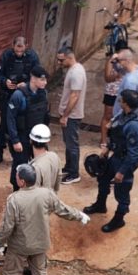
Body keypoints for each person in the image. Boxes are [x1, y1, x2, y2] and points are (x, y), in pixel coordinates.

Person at [0, 163, 90, 275]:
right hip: (40, 244)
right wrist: (79, 215)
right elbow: (62, 210)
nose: (15, 177)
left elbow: (7, 226)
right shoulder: (46, 193)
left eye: (17, 176)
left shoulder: (14, 199)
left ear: (22, 181)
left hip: (19, 246)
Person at [83, 90, 138, 233]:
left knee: (122, 192)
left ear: (126, 103)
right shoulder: (126, 114)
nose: (119, 102)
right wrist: (108, 148)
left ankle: (119, 219)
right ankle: (100, 205)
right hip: (117, 156)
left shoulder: (135, 126)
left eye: (121, 100)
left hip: (126, 162)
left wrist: (122, 172)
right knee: (103, 178)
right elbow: (119, 136)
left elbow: (134, 154)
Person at [0, 36, 41, 167]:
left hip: (24, 98)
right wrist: (5, 82)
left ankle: (26, 156)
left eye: (21, 49)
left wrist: (25, 84)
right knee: (3, 127)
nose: (19, 52)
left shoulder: (32, 57)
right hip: (7, 96)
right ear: (13, 45)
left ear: (26, 46)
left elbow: (39, 76)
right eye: (17, 49)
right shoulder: (7, 56)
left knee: (25, 128)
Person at [6, 66, 49, 190]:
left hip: (38, 138)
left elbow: (45, 115)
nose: (45, 83)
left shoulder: (43, 93)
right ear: (33, 79)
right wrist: (15, 140)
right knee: (20, 165)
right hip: (23, 137)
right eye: (42, 80)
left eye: (45, 80)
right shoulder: (19, 95)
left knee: (40, 164)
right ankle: (16, 190)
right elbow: (10, 119)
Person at [56, 47, 85, 184]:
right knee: (68, 143)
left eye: (61, 60)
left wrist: (65, 115)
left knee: (72, 144)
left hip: (72, 116)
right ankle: (69, 167)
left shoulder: (76, 73)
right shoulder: (73, 70)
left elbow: (75, 96)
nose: (59, 62)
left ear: (69, 57)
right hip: (70, 115)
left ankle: (74, 173)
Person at [99, 41, 129, 147]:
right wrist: (116, 75)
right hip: (111, 93)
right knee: (108, 116)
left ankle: (116, 140)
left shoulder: (127, 61)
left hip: (122, 93)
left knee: (121, 117)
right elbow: (107, 78)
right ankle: (103, 140)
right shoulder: (111, 61)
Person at [111, 48, 138, 118]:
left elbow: (127, 104)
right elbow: (121, 70)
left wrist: (115, 119)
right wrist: (114, 62)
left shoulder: (130, 82)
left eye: (119, 61)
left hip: (123, 116)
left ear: (126, 61)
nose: (118, 63)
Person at [28, 124, 62, 191]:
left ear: (31, 140)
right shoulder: (54, 156)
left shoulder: (34, 167)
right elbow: (59, 178)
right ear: (47, 141)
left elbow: (33, 192)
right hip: (52, 197)